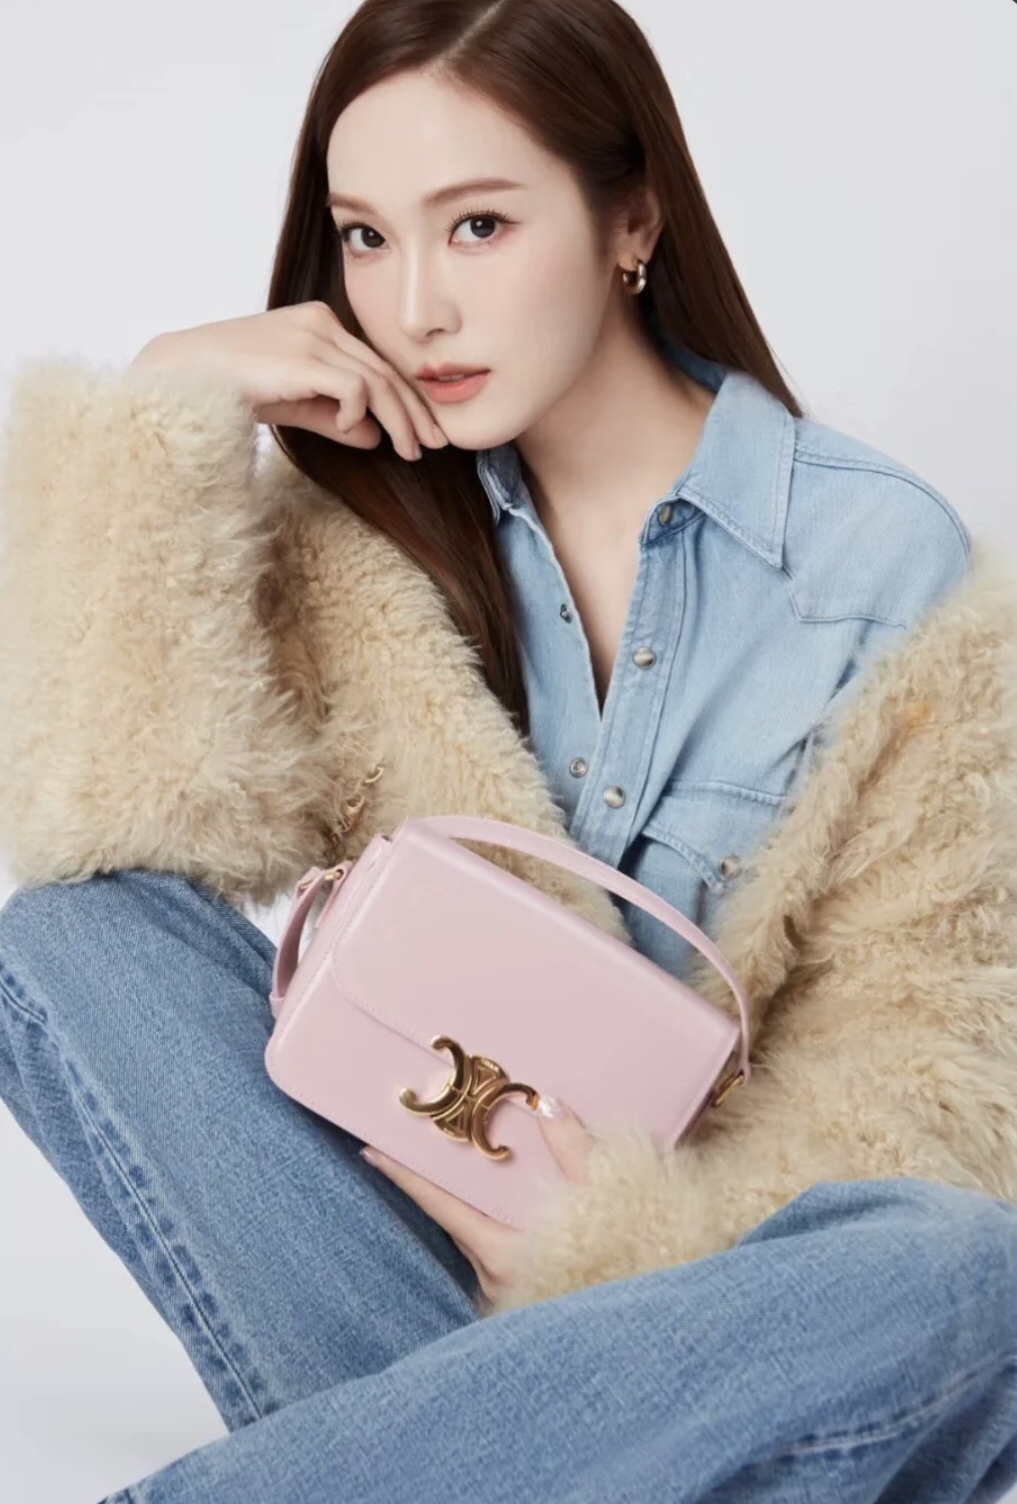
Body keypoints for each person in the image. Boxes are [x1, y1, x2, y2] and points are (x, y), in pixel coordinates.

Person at [2, 0, 1017, 1497]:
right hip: (382, 1267)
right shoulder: (354, 532)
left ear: (632, 221)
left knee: (963, 1266)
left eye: (476, 226)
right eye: (365, 237)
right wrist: (165, 413)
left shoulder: (880, 561)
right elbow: (105, 813)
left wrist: (596, 1242)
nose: (412, 308)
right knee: (64, 938)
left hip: (706, 1310)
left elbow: (927, 1084)